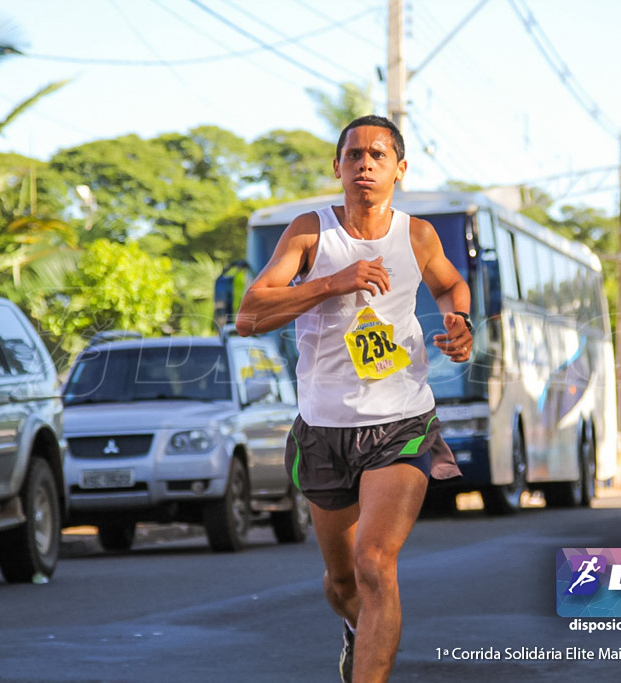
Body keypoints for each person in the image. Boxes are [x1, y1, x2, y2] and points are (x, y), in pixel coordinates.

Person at [235, 115, 471, 683]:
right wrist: (333, 283)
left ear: (399, 170)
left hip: (401, 423)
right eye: (354, 154)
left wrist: (458, 321)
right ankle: (354, 630)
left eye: (379, 155)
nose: (365, 163)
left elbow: (448, 284)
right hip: (323, 427)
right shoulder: (310, 233)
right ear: (337, 167)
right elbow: (249, 316)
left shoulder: (416, 235)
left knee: (374, 562)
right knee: (343, 585)